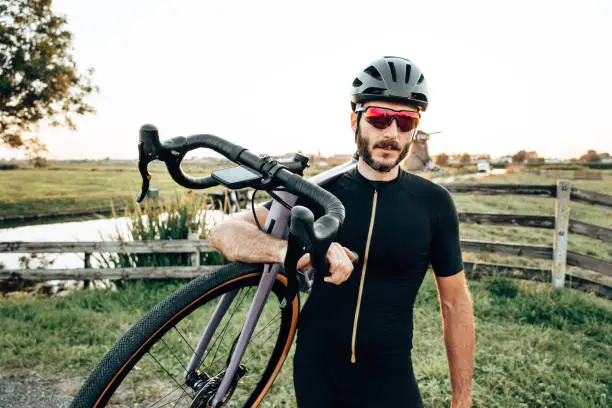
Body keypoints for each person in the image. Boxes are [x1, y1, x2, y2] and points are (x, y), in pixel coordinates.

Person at [210, 56, 475, 408]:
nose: (391, 133)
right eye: (380, 118)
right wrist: (287, 253)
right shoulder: (320, 192)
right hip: (319, 373)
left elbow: (454, 302)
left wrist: (462, 398)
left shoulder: (434, 203)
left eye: (406, 121)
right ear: (356, 120)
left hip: (391, 377)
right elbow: (223, 232)